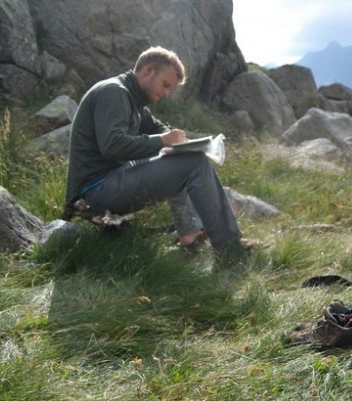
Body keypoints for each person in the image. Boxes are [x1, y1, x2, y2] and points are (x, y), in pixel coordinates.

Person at [65, 46, 250, 259]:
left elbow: (158, 129)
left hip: (110, 180)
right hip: (95, 191)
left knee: (180, 157)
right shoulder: (114, 92)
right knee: (194, 163)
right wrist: (163, 141)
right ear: (148, 71)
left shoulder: (135, 102)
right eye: (165, 85)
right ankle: (229, 248)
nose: (166, 93)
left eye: (170, 89)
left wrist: (180, 141)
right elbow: (112, 145)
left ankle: (189, 232)